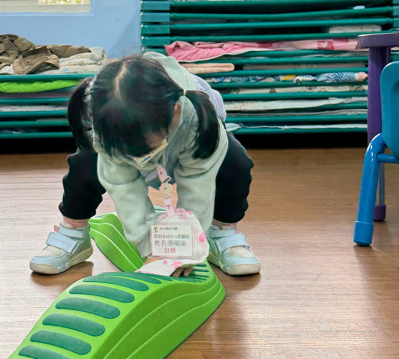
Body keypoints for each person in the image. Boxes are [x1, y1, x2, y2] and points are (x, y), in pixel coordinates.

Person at [30, 52, 259, 277]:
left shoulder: (198, 121)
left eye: (142, 147)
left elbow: (196, 188)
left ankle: (221, 231)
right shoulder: (107, 116)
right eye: (126, 150)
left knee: (235, 162)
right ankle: (73, 231)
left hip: (194, 145)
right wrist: (150, 246)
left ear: (176, 113)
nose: (135, 157)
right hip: (134, 137)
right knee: (85, 164)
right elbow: (125, 190)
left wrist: (183, 248)